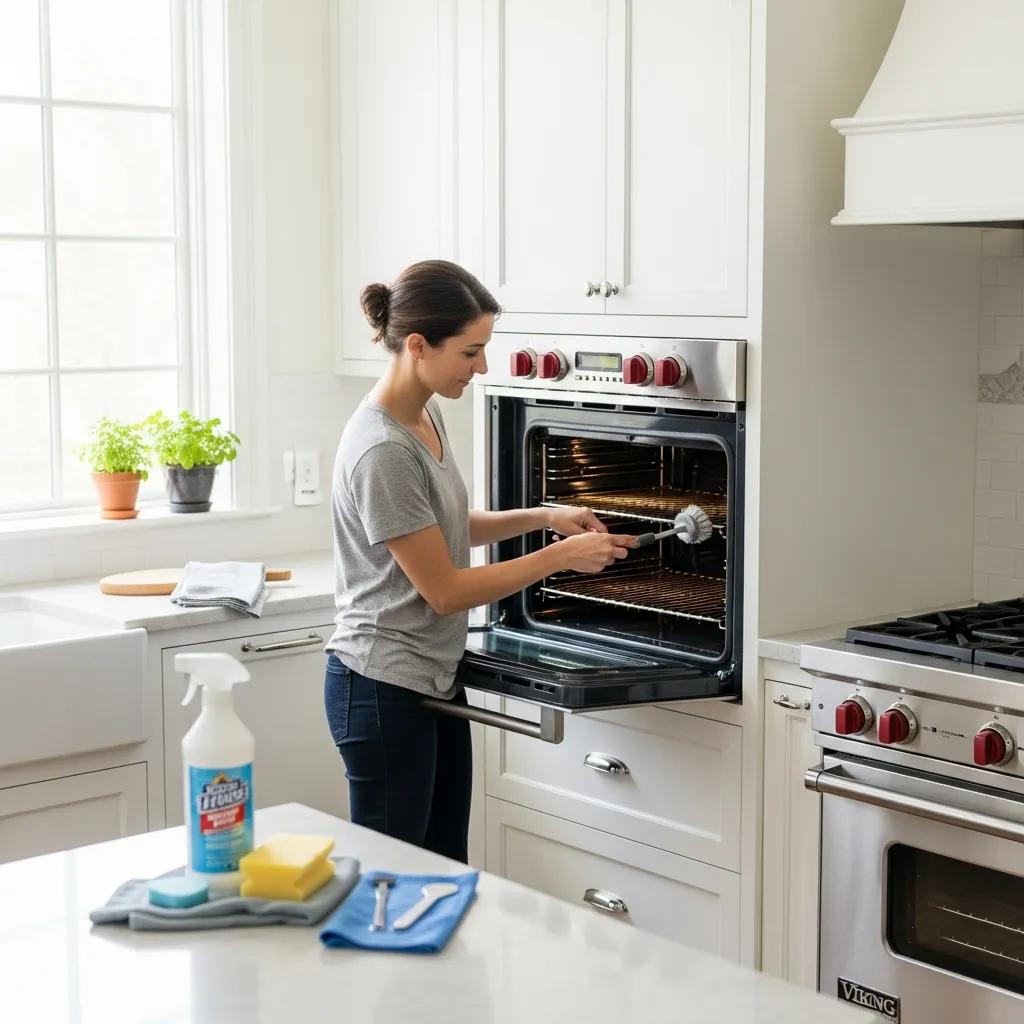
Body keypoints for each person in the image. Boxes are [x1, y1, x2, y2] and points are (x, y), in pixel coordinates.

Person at [323, 259, 636, 862]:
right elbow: (444, 589)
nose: (483, 367)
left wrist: (544, 516)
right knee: (393, 886)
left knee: (443, 872)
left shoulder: (424, 415)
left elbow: (439, 528)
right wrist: (562, 556)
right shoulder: (382, 449)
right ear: (418, 345)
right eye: (471, 352)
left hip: (431, 678)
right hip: (381, 688)